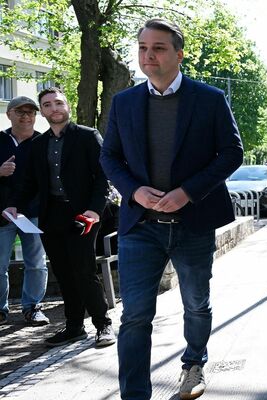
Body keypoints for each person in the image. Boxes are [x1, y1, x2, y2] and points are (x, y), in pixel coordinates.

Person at [100, 18, 243, 400]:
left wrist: (188, 192)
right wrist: (132, 191)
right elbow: (109, 156)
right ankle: (135, 394)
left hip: (192, 223)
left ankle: (193, 363)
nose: (149, 56)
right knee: (134, 316)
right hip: (140, 225)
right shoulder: (124, 101)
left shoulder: (209, 98)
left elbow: (232, 152)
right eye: (143, 48)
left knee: (196, 303)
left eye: (159, 48)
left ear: (178, 54)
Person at [3, 88, 114, 348]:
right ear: (42, 111)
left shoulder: (87, 136)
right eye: (48, 105)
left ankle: (103, 324)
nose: (54, 108)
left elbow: (104, 177)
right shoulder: (39, 144)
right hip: (52, 215)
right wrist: (14, 206)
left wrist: (95, 211)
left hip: (83, 215)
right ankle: (74, 326)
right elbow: (29, 183)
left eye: (58, 103)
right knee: (63, 272)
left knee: (84, 271)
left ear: (67, 106)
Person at [0, 96, 48, 326]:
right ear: (9, 114)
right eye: (20, 111)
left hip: (33, 214)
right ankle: (0, 310)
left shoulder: (44, 142)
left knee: (36, 263)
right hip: (2, 216)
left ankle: (33, 307)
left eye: (30, 112)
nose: (26, 116)